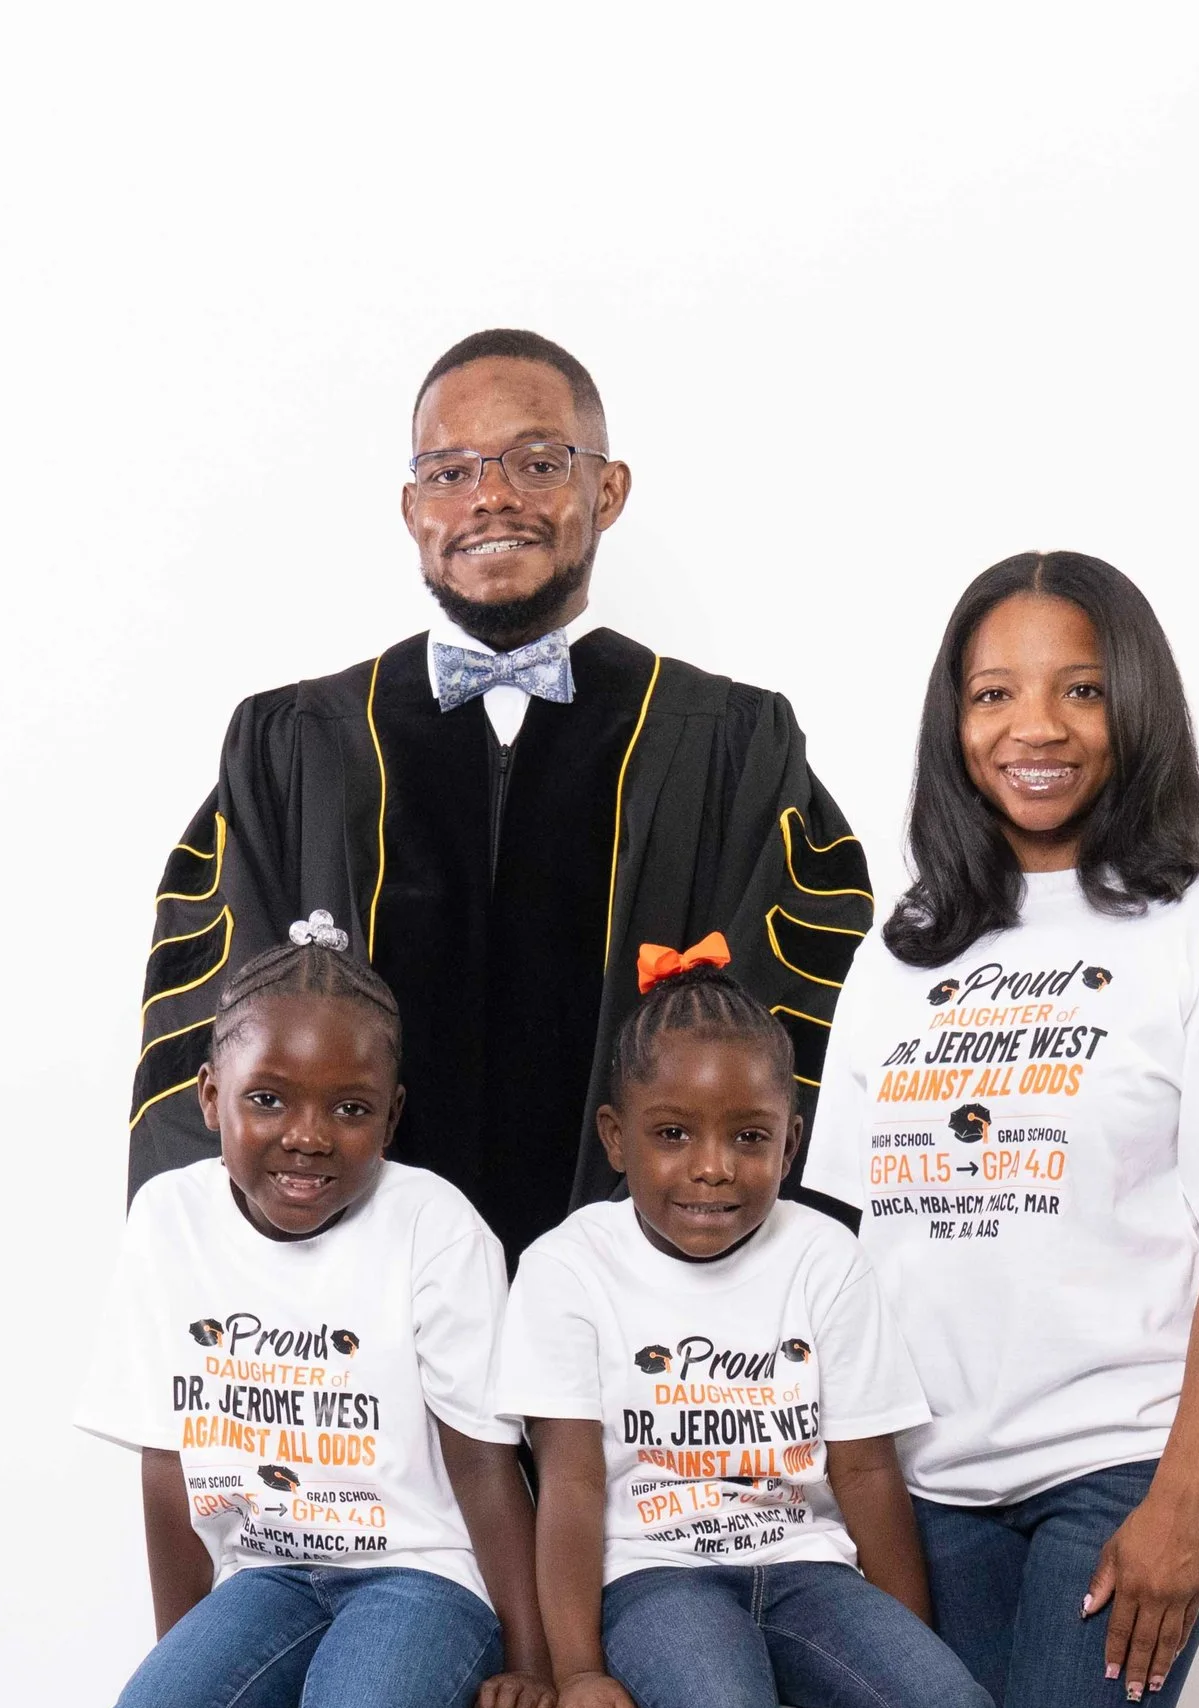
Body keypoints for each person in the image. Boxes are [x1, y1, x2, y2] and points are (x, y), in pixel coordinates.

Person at [802, 551, 1199, 1708]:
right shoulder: (902, 947)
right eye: (994, 694)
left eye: (1079, 690)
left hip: (1121, 1465)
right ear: (953, 719)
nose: (1032, 726)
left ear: (1134, 705)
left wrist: (1183, 1499)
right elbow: (843, 1244)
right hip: (928, 1483)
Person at [128, 328, 872, 1265]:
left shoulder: (731, 746)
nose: (491, 496)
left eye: (538, 461)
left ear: (608, 490)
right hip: (351, 1317)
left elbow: (804, 1044)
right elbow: (207, 1049)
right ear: (412, 509)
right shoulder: (295, 748)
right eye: (449, 471)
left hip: (652, 1318)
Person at [494, 943, 1019, 1708]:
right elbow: (570, 1485)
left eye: (748, 1136)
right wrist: (578, 1666)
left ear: (792, 1141)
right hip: (656, 1577)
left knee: (952, 1707)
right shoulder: (568, 1268)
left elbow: (865, 1472)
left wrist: (906, 1649)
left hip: (806, 1569)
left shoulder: (825, 1257)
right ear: (616, 1137)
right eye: (673, 1134)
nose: (712, 1167)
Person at [80, 917, 554, 1708]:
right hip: (266, 1573)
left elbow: (486, 1466)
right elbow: (168, 1460)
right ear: (211, 1097)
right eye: (268, 1100)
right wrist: (183, 1661)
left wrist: (536, 1661)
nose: (308, 1136)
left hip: (420, 1579)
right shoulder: (168, 1221)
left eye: (349, 1108)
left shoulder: (433, 1225)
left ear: (393, 1113)